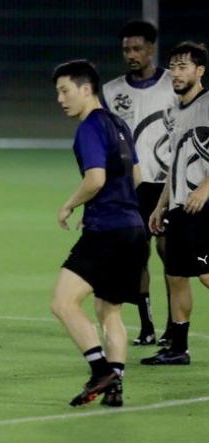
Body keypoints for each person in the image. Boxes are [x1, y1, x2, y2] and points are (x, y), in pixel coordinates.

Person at [50, 60, 148, 408]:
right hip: (133, 229)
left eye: (65, 90)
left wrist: (69, 205)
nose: (60, 98)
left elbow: (95, 180)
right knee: (110, 312)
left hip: (108, 231)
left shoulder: (90, 127)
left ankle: (99, 369)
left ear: (86, 88)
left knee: (63, 302)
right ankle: (115, 386)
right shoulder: (119, 123)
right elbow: (136, 177)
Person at [102, 20, 178, 346]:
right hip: (129, 188)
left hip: (166, 186)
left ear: (151, 49)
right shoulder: (111, 90)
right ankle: (147, 328)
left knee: (170, 253)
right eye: (126, 49)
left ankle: (175, 327)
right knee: (137, 257)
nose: (130, 54)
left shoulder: (174, 85)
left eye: (136, 48)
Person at [141, 41, 209, 366]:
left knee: (207, 275)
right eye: (174, 66)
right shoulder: (175, 111)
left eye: (184, 66)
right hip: (181, 207)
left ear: (200, 71)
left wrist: (205, 189)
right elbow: (174, 165)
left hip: (204, 207)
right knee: (176, 275)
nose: (177, 72)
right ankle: (178, 349)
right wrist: (160, 205)